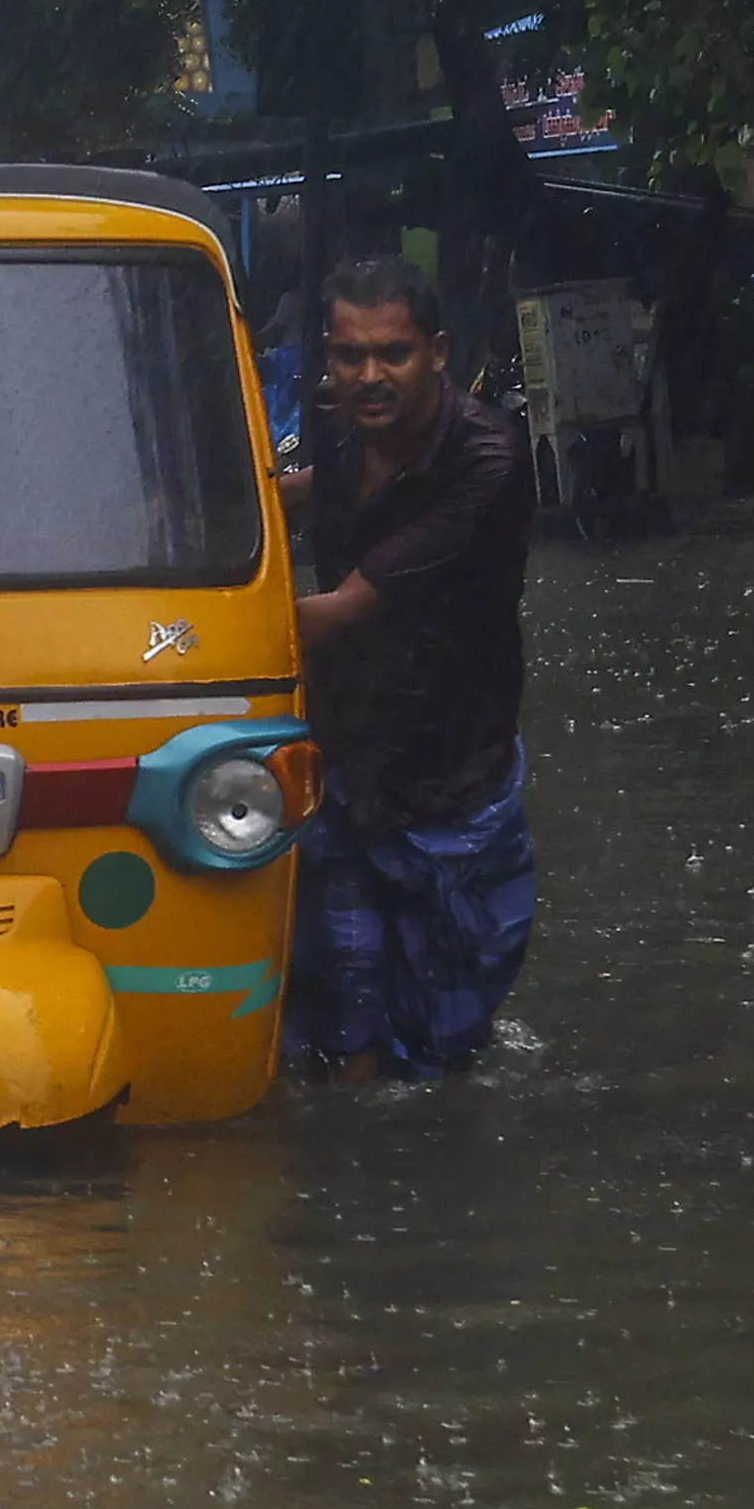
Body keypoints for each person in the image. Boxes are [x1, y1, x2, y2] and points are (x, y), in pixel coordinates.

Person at [283, 256, 539, 1075]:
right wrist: (232, 499)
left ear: (437, 351)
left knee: (437, 1052)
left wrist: (187, 619)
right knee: (337, 1029)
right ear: (327, 355)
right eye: (350, 355)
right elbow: (330, 484)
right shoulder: (333, 420)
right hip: (346, 762)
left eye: (391, 352)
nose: (369, 375)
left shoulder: (488, 460)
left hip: (450, 784)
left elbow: (346, 606)